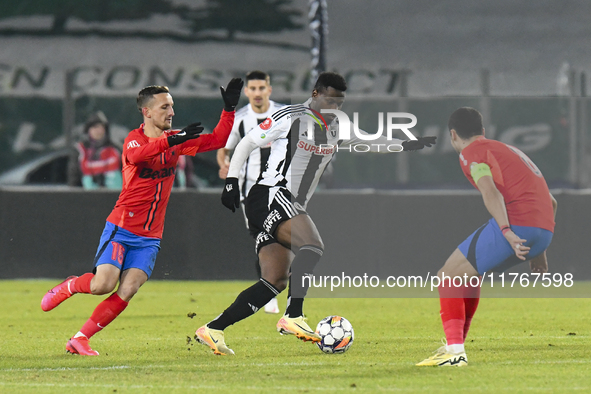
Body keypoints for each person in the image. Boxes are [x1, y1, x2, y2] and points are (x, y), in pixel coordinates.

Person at [195, 71, 436, 355]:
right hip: (272, 195)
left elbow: (371, 142)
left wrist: (406, 144)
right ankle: (293, 316)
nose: (335, 107)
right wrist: (232, 182)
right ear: (315, 94)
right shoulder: (290, 115)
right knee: (313, 245)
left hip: (290, 204)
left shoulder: (339, 125)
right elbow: (248, 142)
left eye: (340, 102)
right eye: (330, 100)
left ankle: (213, 328)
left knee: (274, 280)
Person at [40, 79, 243, 356]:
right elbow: (137, 156)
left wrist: (229, 109)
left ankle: (80, 339)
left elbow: (218, 139)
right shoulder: (135, 139)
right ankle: (72, 284)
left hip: (150, 236)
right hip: (122, 227)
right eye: (164, 107)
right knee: (103, 285)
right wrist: (173, 140)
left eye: (172, 106)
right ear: (147, 112)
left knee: (129, 288)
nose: (171, 112)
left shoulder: (177, 141)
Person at [416, 107, 557, 367]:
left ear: (453, 135)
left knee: (447, 275)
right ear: (483, 131)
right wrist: (539, 252)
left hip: (518, 226)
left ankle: (454, 352)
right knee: (467, 275)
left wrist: (506, 231)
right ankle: (453, 347)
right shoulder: (509, 150)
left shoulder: (471, 154)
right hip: (543, 231)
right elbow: (551, 201)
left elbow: (490, 191)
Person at [216, 70, 285, 314]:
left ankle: (281, 290)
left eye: (261, 88)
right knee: (264, 240)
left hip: (282, 189)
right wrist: (224, 164)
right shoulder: (240, 119)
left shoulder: (282, 114)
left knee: (287, 239)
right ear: (246, 92)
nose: (257, 93)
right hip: (252, 192)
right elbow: (224, 149)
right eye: (252, 89)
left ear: (269, 90)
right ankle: (271, 293)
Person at [75, 111, 122, 190]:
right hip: (88, 198)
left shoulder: (116, 150)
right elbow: (74, 179)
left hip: (115, 198)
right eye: (95, 127)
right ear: (88, 130)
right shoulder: (80, 151)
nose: (98, 131)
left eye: (101, 127)